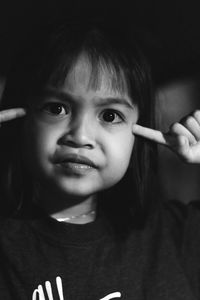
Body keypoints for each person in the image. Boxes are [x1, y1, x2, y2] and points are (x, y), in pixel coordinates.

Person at [0, 20, 200, 300]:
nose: (80, 136)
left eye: (109, 116)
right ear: (20, 118)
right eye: (56, 108)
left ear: (139, 133)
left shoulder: (174, 235)